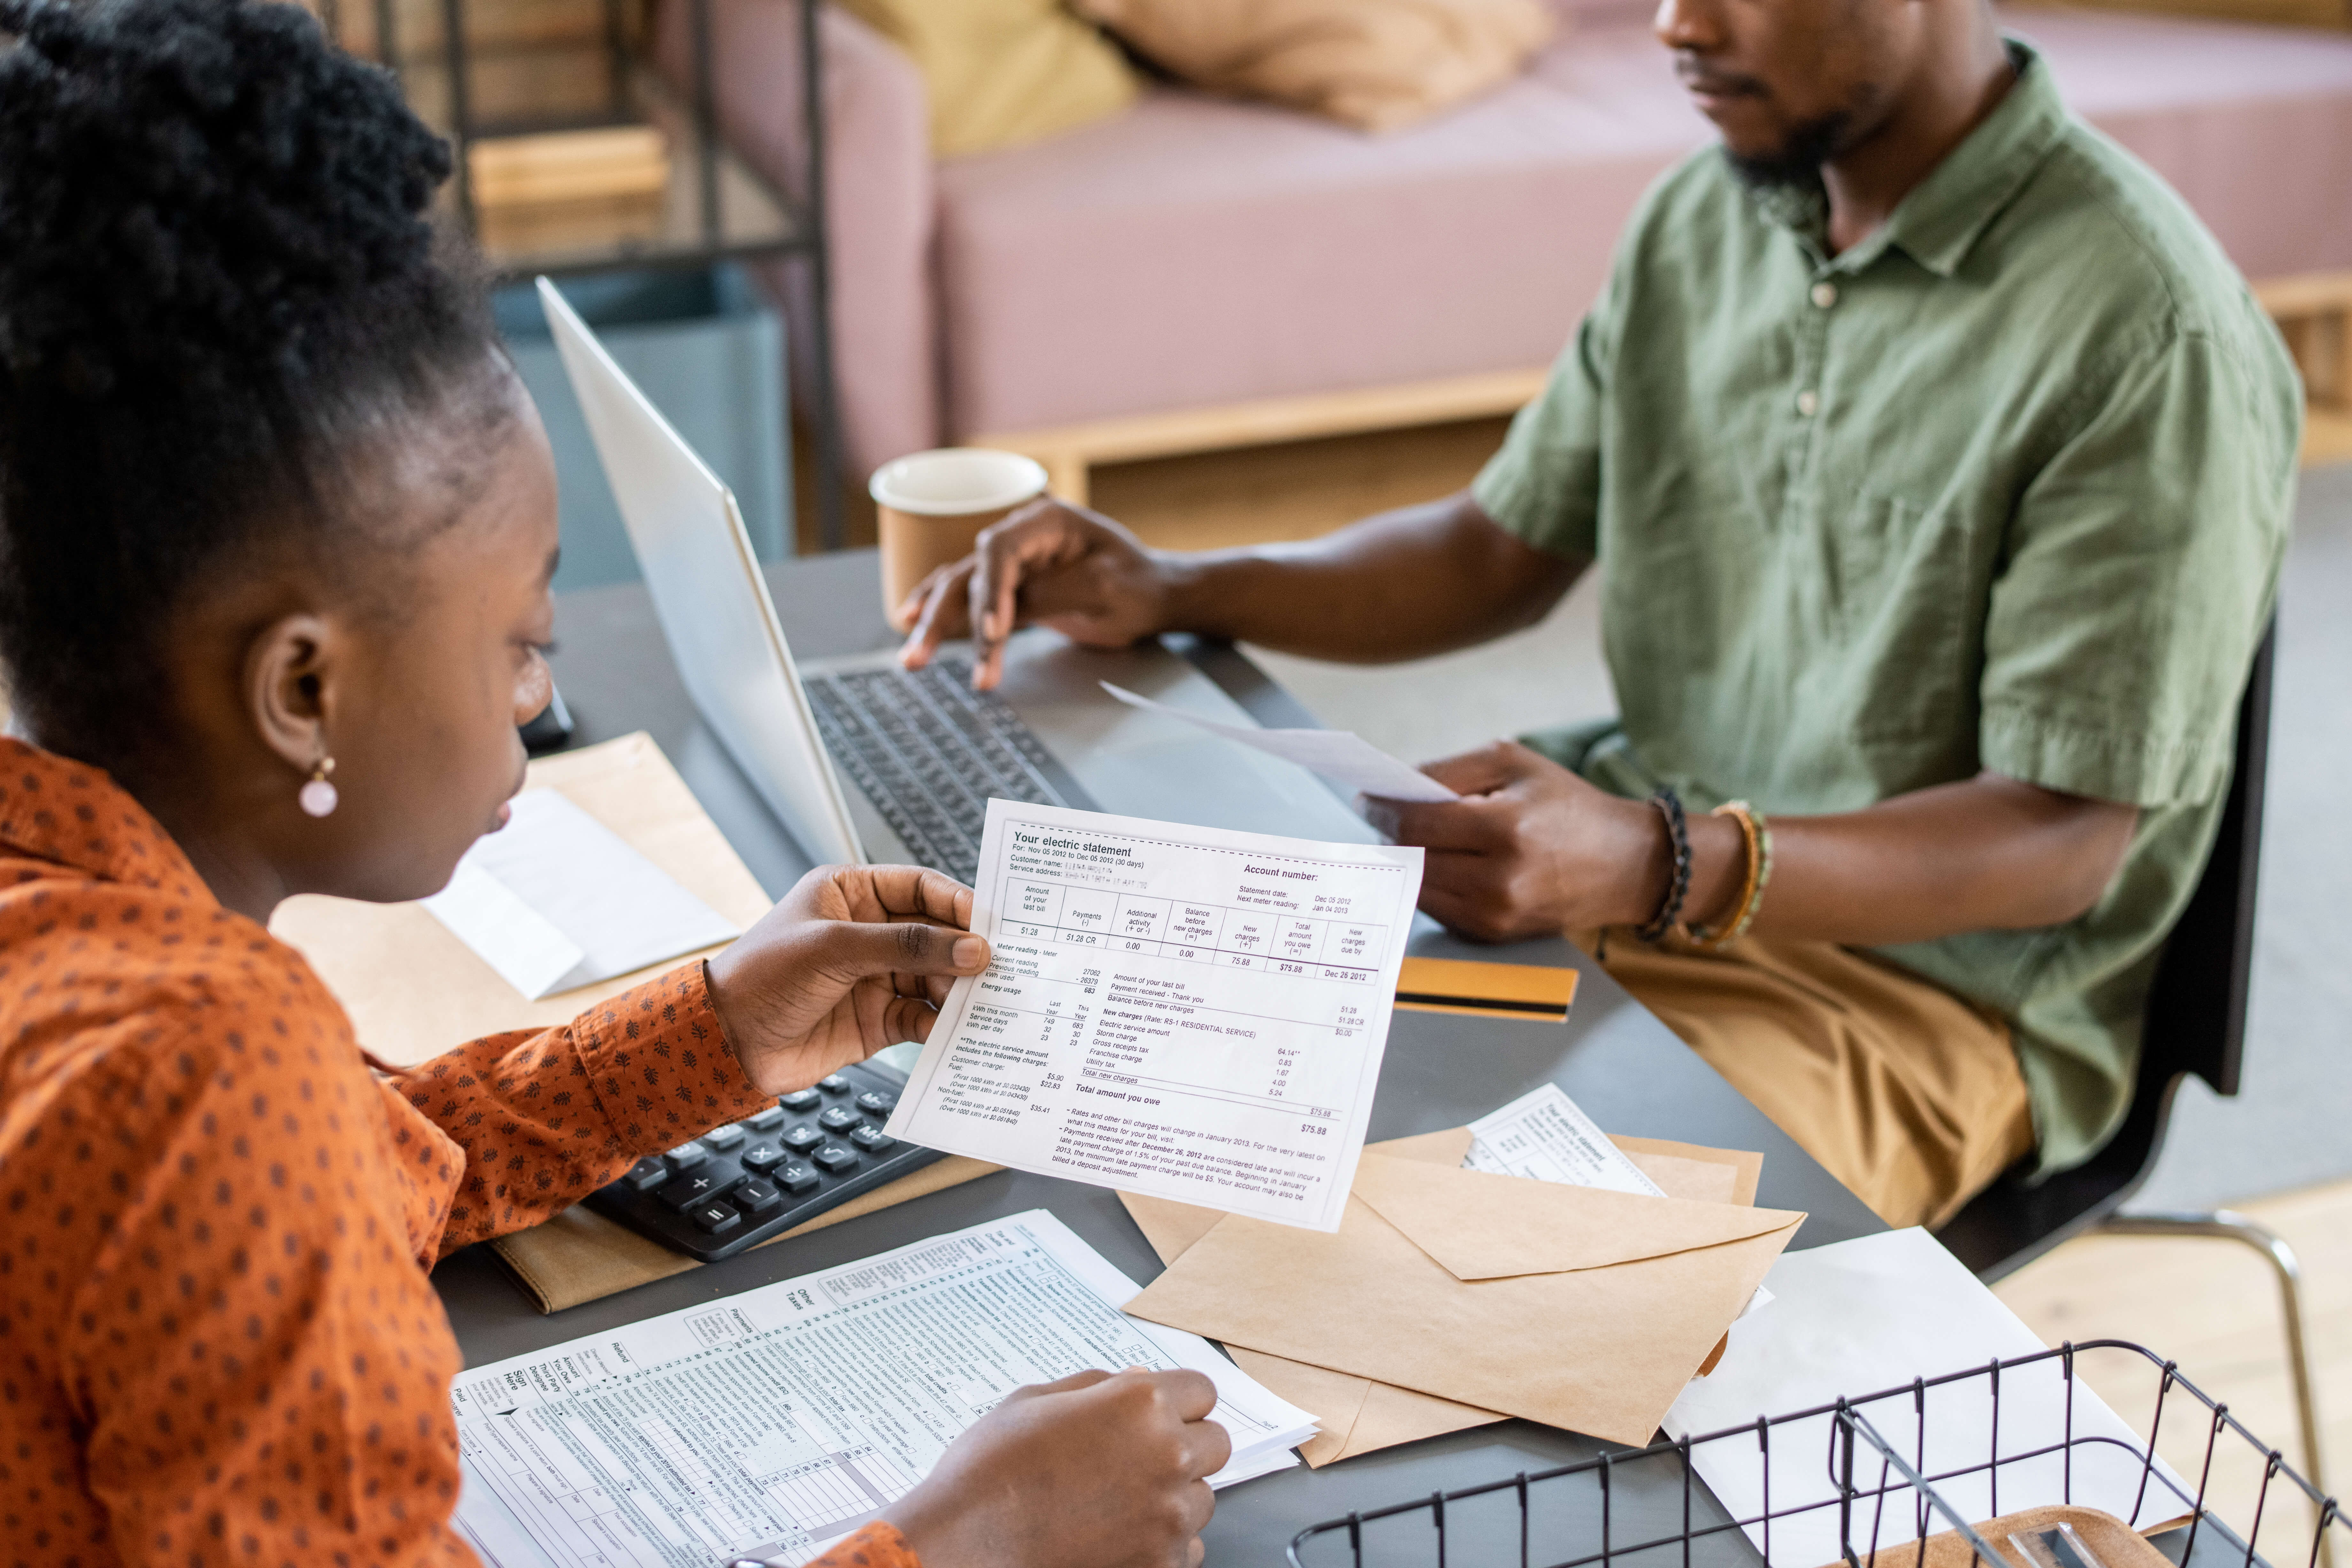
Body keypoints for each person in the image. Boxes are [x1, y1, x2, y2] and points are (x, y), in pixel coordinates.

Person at [0, 2, 1231, 1564]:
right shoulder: (211, 1073)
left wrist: (703, 1034)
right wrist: (964, 1537)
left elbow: (334, 1194)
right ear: (303, 689)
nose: (539, 699)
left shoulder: (82, 955)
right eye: (519, 643)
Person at [898, 0, 2300, 1231]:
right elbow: (1495, 548)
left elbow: (2061, 845)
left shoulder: (2145, 336)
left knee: (1474, 1270)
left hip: (1914, 1005)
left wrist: (1649, 862)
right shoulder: (1712, 216)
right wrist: (1177, 585)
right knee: (1168, 1091)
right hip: (1635, 868)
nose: (1674, 26)